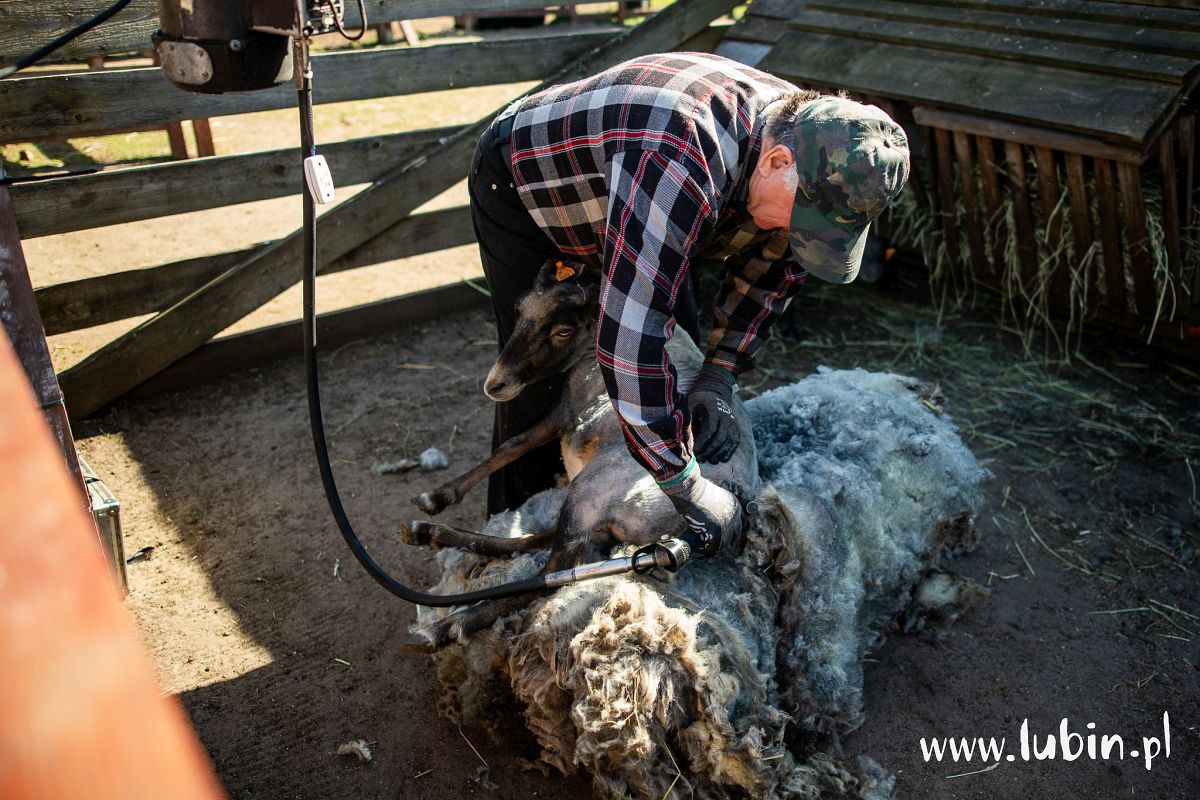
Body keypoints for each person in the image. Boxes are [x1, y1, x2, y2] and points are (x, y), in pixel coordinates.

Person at [468, 52, 909, 555]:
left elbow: (771, 273)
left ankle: (612, 504)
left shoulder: (813, 143)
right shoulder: (683, 153)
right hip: (535, 185)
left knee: (679, 362)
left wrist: (718, 377)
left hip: (642, 191)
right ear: (777, 161)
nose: (795, 233)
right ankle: (510, 545)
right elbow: (630, 335)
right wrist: (686, 485)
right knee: (543, 372)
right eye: (802, 217)